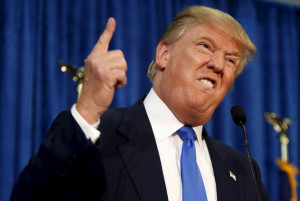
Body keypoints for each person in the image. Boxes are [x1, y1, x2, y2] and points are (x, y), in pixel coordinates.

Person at [11, 5, 270, 201]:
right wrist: (87, 109)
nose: (218, 65)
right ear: (164, 55)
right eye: (205, 46)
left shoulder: (243, 170)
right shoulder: (97, 137)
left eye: (231, 61)